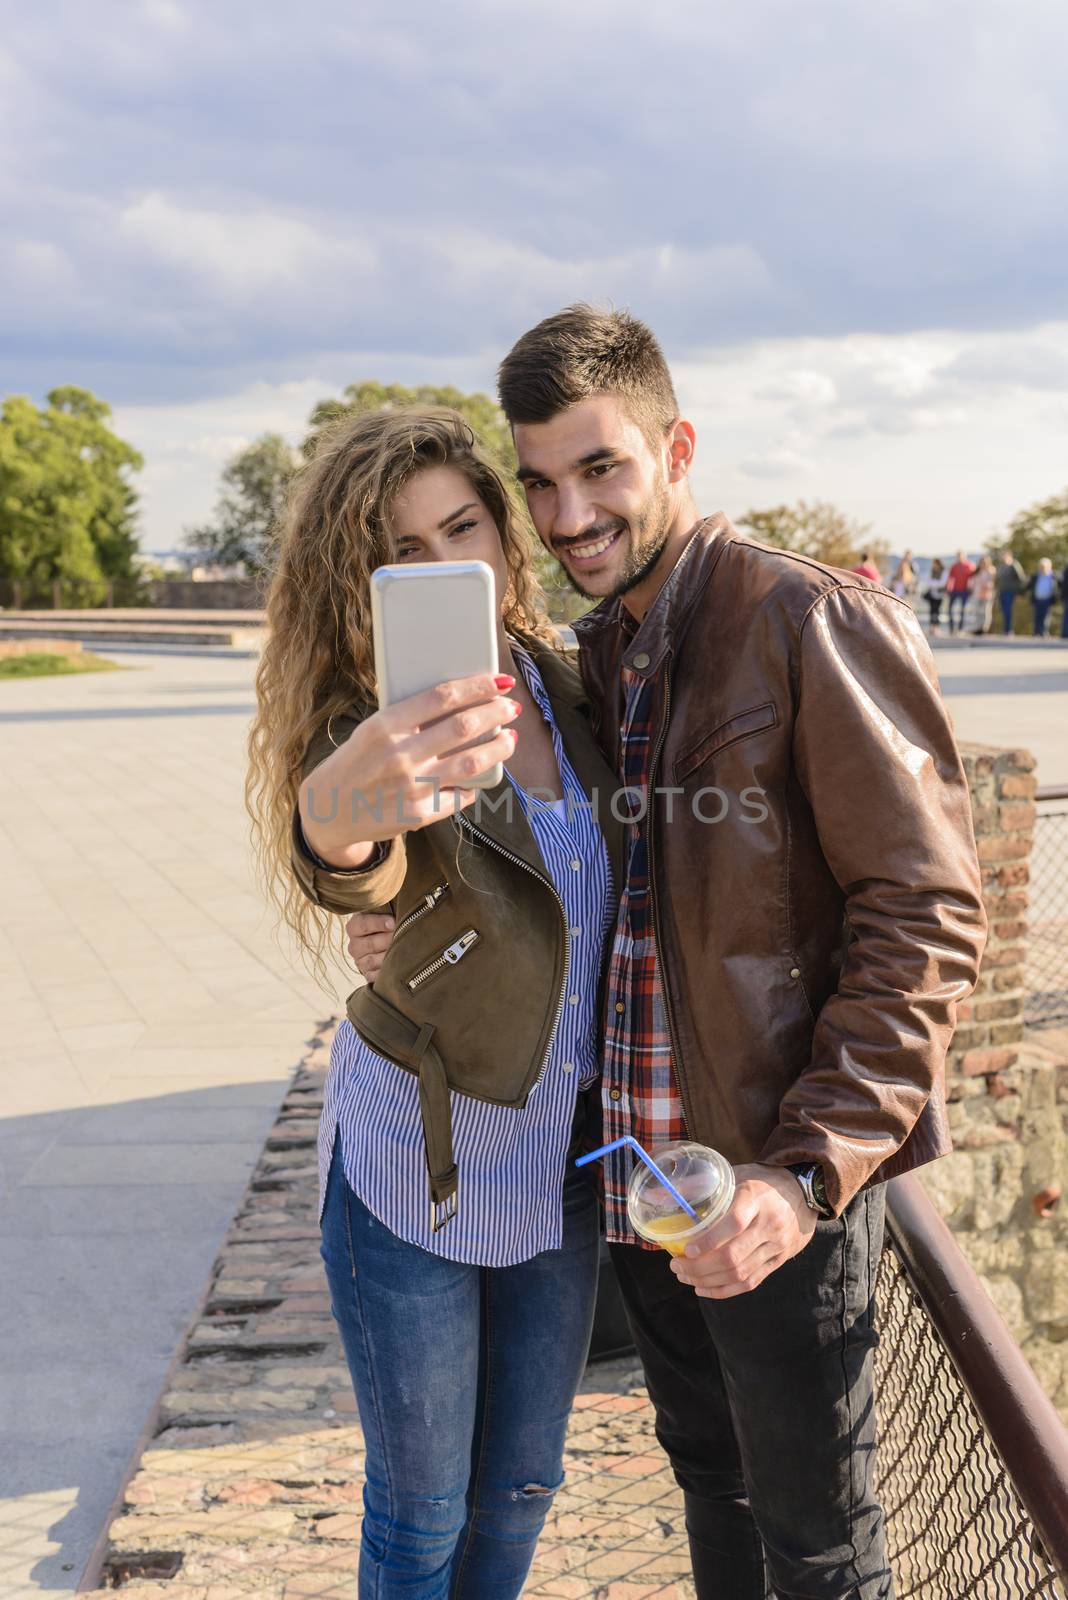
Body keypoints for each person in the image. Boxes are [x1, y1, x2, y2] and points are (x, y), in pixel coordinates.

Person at [349, 306, 987, 1600]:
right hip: (645, 1192)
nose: (568, 514)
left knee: (819, 1545)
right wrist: (411, 929)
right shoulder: (601, 653)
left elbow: (925, 917)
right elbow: (579, 884)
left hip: (771, 1187)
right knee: (713, 1489)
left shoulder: (805, 620)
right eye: (536, 483)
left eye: (601, 470)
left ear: (676, 446)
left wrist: (806, 1174)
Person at [247, 406, 628, 1600]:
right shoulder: (367, 722)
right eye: (399, 549)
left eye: (461, 526)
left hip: (564, 1159)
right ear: (358, 579)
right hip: (420, 1154)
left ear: (505, 541)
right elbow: (348, 847)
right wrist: (346, 839)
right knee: (419, 1511)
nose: (439, 563)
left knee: (520, 1488)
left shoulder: (578, 686)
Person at [945, 549, 976, 634]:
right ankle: (951, 629)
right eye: (958, 556)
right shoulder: (954, 566)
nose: (959, 558)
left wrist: (971, 589)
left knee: (963, 610)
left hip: (965, 591)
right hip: (954, 590)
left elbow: (972, 578)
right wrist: (948, 588)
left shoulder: (969, 566)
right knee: (950, 609)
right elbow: (950, 578)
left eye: (960, 556)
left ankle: (960, 629)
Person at [995, 548, 1026, 633]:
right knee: (1004, 611)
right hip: (1002, 592)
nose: (1003, 557)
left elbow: (1021, 579)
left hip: (1010, 592)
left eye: (1004, 555)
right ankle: (1005, 629)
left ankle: (1008, 630)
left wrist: (1020, 593)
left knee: (1008, 611)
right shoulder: (1001, 566)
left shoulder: (1014, 565)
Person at [1028, 557, 1057, 637]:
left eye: (1044, 567)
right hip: (1038, 599)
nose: (1043, 568)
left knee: (1046, 617)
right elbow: (1029, 586)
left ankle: (1044, 632)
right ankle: (1036, 631)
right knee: (1037, 616)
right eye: (1041, 567)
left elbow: (1059, 587)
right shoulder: (1036, 576)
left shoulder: (1053, 576)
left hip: (1048, 599)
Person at [971, 555, 996, 634]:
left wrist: (986, 585)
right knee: (977, 611)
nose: (983, 564)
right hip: (977, 594)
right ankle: (977, 627)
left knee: (986, 612)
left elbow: (991, 582)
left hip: (987, 594)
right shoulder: (978, 571)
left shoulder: (991, 570)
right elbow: (973, 581)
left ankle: (984, 628)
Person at [925, 557, 947, 635]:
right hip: (932, 594)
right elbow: (928, 582)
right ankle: (932, 627)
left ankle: (936, 627)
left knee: (937, 611)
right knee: (932, 611)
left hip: (939, 595)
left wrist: (934, 583)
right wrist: (935, 584)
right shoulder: (932, 571)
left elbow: (942, 583)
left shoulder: (943, 572)